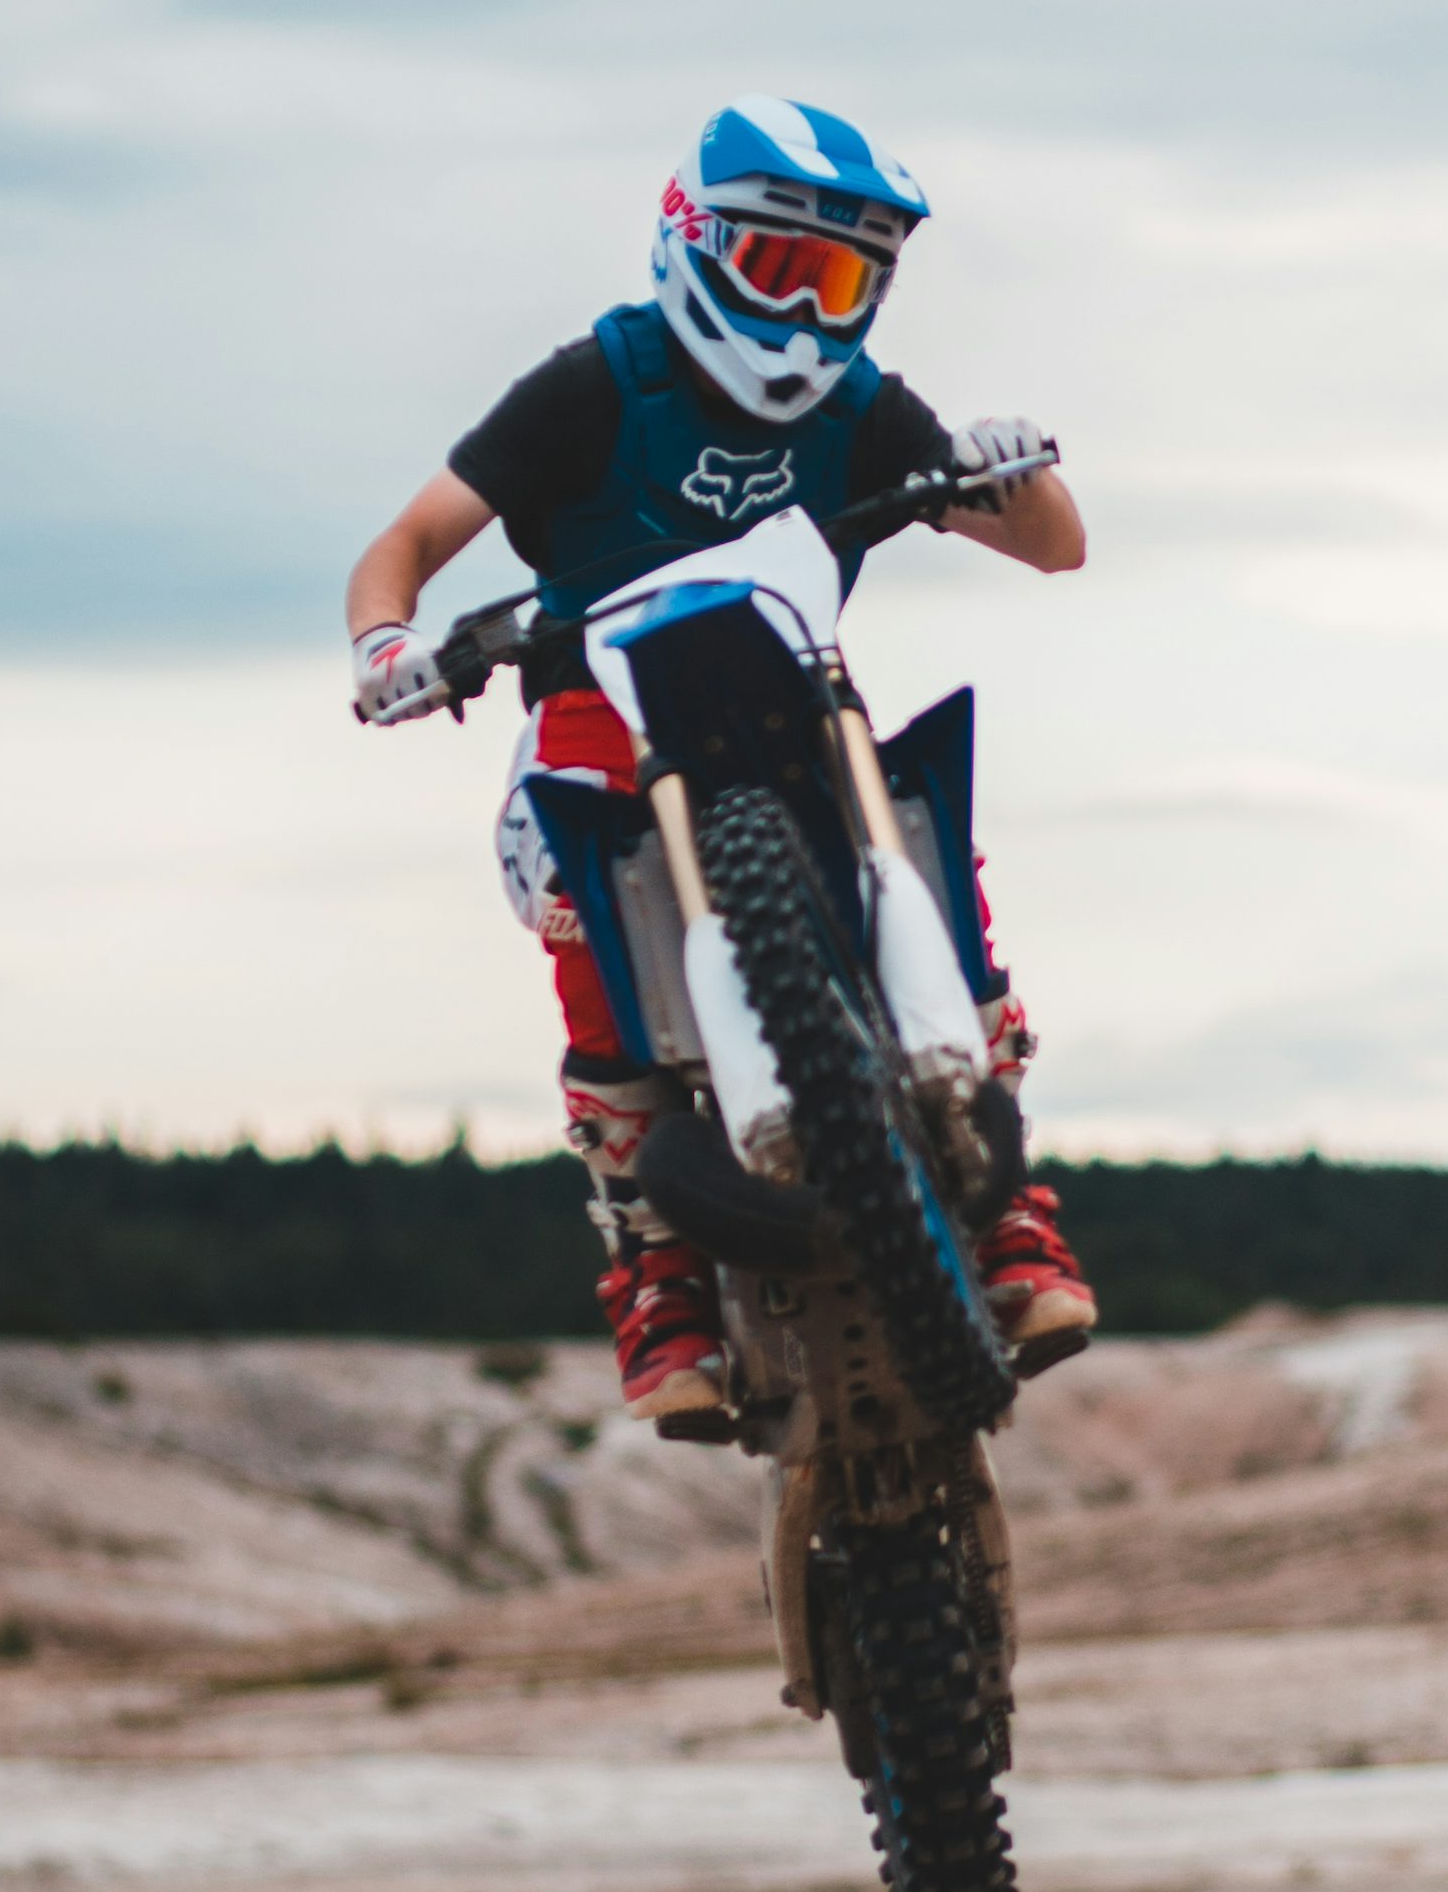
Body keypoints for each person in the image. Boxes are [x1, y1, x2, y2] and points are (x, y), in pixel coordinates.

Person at [343, 97, 1098, 1431]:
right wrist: (390, 641)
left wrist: (1004, 465)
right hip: (599, 706)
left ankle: (1011, 1214)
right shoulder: (598, 385)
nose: (809, 313)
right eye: (779, 270)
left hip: (797, 695)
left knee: (924, 820)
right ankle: (658, 1272)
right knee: (573, 869)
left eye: (844, 280)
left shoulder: (861, 404)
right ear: (695, 243)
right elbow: (406, 539)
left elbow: (1054, 546)